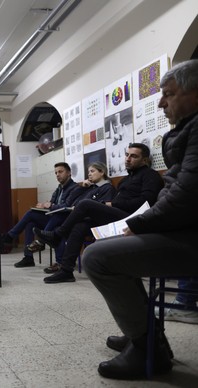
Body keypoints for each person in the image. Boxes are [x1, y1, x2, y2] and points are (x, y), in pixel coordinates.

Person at [82, 59, 198, 380]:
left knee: (96, 257)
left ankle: (149, 346)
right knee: (109, 241)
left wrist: (138, 224)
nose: (161, 102)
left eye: (169, 95)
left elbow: (183, 197)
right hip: (182, 229)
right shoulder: (187, 132)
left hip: (189, 235)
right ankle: (146, 334)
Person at [35, 143, 164, 283]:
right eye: (127, 155)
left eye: (133, 156)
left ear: (144, 160)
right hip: (118, 215)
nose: (128, 159)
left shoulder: (151, 176)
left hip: (133, 217)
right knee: (80, 225)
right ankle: (66, 270)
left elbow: (146, 202)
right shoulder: (125, 180)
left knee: (85, 204)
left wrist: (113, 204)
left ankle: (57, 234)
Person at [31, 162, 117, 273]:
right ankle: (60, 261)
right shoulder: (90, 188)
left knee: (60, 223)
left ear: (102, 172)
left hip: (93, 221)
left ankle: (52, 246)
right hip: (78, 217)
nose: (89, 174)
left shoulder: (108, 188)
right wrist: (82, 186)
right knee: (56, 223)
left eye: (92, 171)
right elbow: (73, 200)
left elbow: (102, 209)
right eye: (88, 172)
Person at [1, 162, 78, 268]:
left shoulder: (75, 188)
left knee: (36, 217)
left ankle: (12, 236)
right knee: (30, 222)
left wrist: (50, 205)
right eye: (55, 173)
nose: (58, 175)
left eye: (60, 172)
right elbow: (52, 204)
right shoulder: (59, 189)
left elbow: (67, 206)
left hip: (64, 221)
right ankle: (28, 258)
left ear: (69, 173)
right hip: (53, 218)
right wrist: (43, 206)